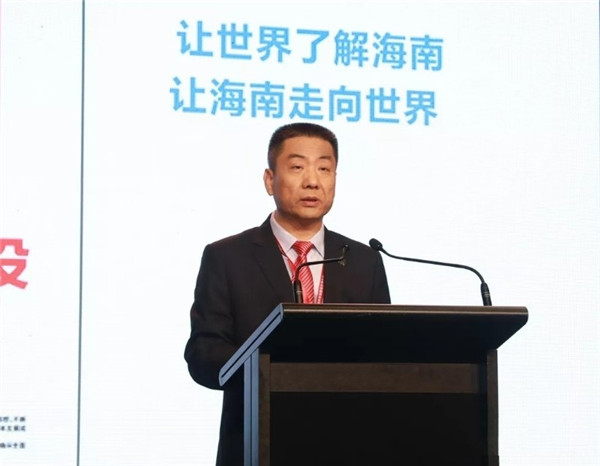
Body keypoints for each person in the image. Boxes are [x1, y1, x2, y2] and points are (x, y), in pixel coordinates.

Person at [184, 122, 390, 466]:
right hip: (256, 442)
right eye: (297, 167)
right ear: (269, 180)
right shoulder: (227, 257)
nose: (312, 181)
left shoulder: (363, 261)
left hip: (347, 444)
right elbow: (204, 352)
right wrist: (269, 371)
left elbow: (385, 353)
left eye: (324, 169)